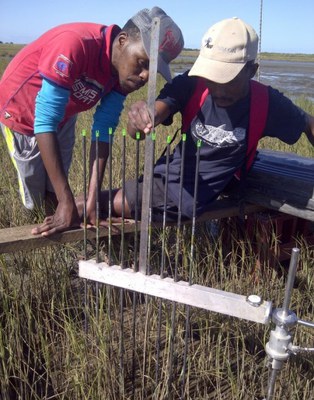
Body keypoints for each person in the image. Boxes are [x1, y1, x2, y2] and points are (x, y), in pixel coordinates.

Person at [100, 17, 314, 222]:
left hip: (184, 198)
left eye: (227, 78)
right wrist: (141, 119)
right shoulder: (191, 84)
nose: (218, 88)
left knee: (100, 203)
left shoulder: (267, 102)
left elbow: (308, 122)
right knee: (94, 204)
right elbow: (144, 124)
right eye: (212, 77)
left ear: (251, 71)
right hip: (169, 177)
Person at [0, 7, 184, 236]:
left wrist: (93, 199)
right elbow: (44, 120)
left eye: (153, 70)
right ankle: (42, 226)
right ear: (122, 41)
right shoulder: (75, 44)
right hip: (21, 111)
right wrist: (66, 200)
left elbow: (103, 130)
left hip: (64, 111)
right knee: (37, 193)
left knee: (57, 184)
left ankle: (59, 217)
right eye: (143, 62)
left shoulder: (123, 75)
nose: (145, 76)